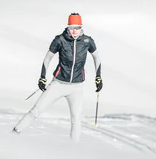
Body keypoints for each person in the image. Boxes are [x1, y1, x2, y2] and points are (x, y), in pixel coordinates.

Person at [12, 13, 102, 142]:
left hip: (77, 86)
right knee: (36, 110)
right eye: (71, 27)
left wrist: (98, 78)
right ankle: (14, 134)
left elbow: (97, 57)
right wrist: (42, 77)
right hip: (58, 84)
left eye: (77, 27)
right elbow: (47, 58)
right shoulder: (60, 40)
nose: (74, 31)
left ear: (81, 27)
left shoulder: (87, 41)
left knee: (76, 119)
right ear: (68, 27)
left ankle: (73, 150)